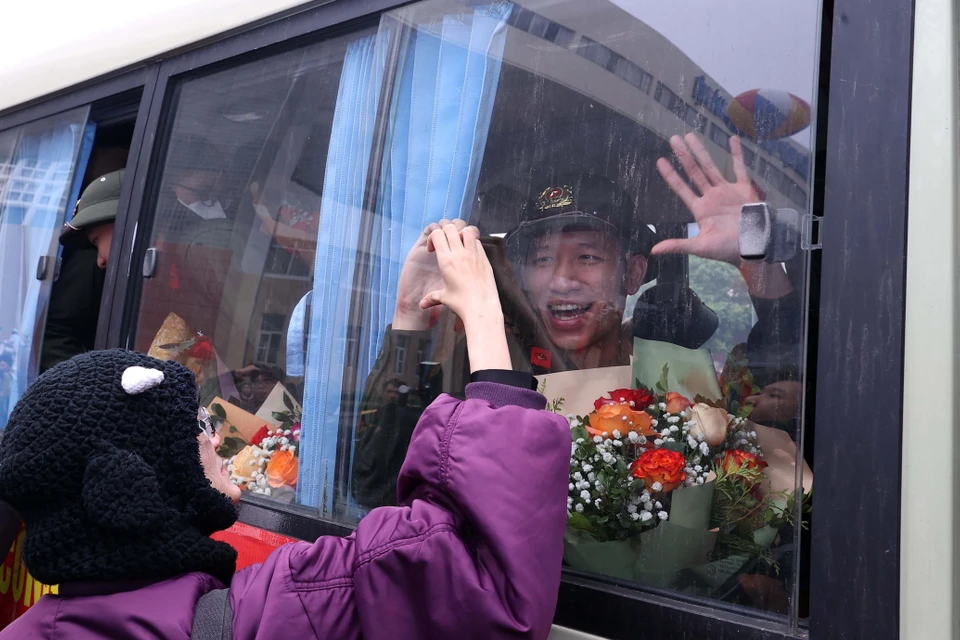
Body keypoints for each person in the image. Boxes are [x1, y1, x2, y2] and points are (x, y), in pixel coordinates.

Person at [0, 223, 571, 640]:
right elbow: (487, 591)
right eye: (194, 426)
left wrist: (408, 320)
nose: (217, 436)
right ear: (135, 484)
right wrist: (485, 319)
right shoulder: (274, 612)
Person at [40, 169, 124, 372]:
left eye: (97, 240)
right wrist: (92, 382)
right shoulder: (88, 265)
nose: (100, 261)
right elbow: (56, 332)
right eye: (93, 243)